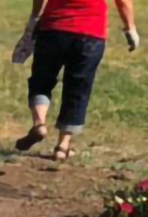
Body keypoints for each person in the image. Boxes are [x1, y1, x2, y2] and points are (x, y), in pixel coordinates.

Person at [14, 0, 138, 160]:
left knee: (42, 80)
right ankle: (62, 146)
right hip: (91, 32)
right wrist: (130, 28)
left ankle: (39, 124)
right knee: (78, 89)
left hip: (54, 28)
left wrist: (35, 17)